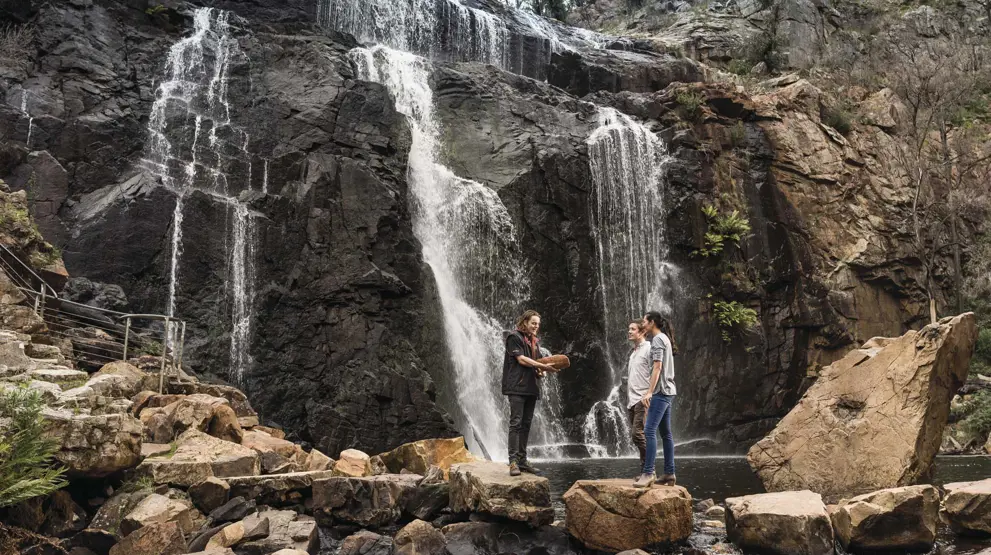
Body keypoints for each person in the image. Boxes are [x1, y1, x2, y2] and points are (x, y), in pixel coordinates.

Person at [502, 310, 558, 477]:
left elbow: (539, 364)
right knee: (516, 423)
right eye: (533, 323)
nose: (536, 327)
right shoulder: (514, 337)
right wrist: (541, 366)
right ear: (525, 322)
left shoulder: (534, 343)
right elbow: (521, 359)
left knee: (526, 424)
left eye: (538, 324)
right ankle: (512, 461)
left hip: (531, 388)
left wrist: (543, 371)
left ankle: (522, 460)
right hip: (517, 388)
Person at [634, 311, 679, 488]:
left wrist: (649, 392)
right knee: (666, 434)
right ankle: (669, 473)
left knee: (649, 431)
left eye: (644, 321)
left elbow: (657, 367)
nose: (642, 324)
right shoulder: (664, 338)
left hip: (661, 391)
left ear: (652, 322)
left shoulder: (658, 340)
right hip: (668, 390)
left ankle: (647, 473)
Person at [625, 321, 651, 473]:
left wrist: (650, 393)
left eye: (633, 329)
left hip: (642, 398)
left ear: (642, 332)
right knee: (637, 435)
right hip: (631, 401)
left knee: (637, 434)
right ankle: (645, 470)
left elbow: (656, 371)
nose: (629, 331)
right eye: (629, 329)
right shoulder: (633, 353)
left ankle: (649, 469)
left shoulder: (648, 349)